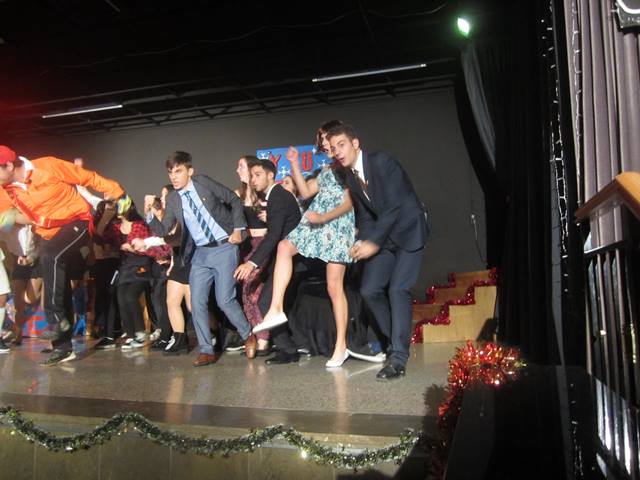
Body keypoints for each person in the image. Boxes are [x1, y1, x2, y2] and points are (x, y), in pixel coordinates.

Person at [0, 145, 128, 366]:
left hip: (77, 221)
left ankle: (55, 320)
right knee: (58, 280)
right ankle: (63, 347)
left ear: (9, 166)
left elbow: (88, 178)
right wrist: (11, 218)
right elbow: (6, 216)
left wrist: (120, 196)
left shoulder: (47, 166)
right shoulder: (7, 190)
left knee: (50, 256)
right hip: (49, 234)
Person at [326, 124, 428, 381]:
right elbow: (367, 216)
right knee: (369, 290)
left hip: (408, 232)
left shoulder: (382, 162)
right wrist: (363, 240)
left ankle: (398, 358)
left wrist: (373, 243)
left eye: (341, 145)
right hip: (384, 238)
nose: (337, 151)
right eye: (333, 148)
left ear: (355, 143)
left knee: (398, 289)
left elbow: (394, 207)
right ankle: (395, 341)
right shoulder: (351, 178)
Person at [252, 120, 356, 368]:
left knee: (334, 287)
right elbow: (306, 191)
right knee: (284, 246)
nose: (324, 144)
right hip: (317, 220)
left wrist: (324, 217)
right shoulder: (327, 169)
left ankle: (341, 346)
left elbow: (349, 203)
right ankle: (276, 308)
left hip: (337, 224)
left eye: (327, 139)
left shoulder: (347, 166)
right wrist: (295, 163)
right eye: (322, 141)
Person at [146, 151, 256, 367]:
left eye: (178, 171)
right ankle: (206, 350)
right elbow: (164, 229)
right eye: (170, 173)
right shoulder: (174, 199)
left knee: (224, 300)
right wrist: (150, 214)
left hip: (224, 247)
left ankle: (247, 335)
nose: (174, 177)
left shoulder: (203, 182)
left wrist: (238, 229)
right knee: (196, 303)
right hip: (200, 254)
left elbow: (233, 199)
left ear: (190, 171)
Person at [233, 159, 302, 363]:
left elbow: (273, 236)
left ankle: (288, 350)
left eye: (258, 175)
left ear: (271, 175)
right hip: (284, 261)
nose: (253, 180)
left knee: (265, 301)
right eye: (252, 175)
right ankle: (287, 348)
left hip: (293, 261)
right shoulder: (274, 196)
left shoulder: (278, 197)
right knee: (266, 301)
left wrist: (251, 263)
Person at [234, 156, 270, 354]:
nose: (237, 170)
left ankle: (264, 338)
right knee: (247, 293)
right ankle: (256, 337)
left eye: (241, 166)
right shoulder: (237, 195)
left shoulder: (264, 194)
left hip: (263, 244)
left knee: (253, 287)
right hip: (247, 246)